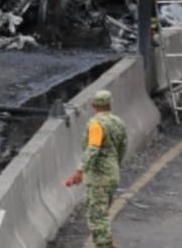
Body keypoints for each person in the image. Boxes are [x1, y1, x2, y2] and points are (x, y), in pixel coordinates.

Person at [64, 90, 127, 248]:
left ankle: (105, 245)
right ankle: (108, 243)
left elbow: (93, 148)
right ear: (110, 104)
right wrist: (116, 165)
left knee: (97, 217)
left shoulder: (96, 125)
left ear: (93, 106)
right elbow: (123, 146)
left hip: (99, 177)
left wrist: (80, 171)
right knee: (100, 211)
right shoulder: (118, 121)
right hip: (112, 173)